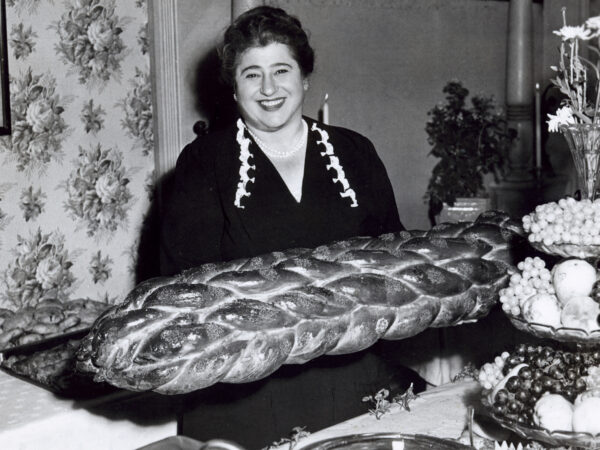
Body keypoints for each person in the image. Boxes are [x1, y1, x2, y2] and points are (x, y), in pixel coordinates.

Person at [160, 6, 424, 449]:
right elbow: (181, 297)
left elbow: (393, 269)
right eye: (251, 75)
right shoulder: (202, 164)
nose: (268, 89)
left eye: (281, 70)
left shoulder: (355, 153)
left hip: (355, 382)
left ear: (304, 78)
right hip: (245, 398)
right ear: (233, 88)